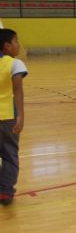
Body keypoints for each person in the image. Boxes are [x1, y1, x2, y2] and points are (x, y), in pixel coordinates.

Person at [0, 29, 27, 206]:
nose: (19, 45)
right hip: (7, 115)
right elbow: (17, 90)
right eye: (16, 41)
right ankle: (5, 191)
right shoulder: (15, 64)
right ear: (7, 46)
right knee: (10, 153)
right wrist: (21, 116)